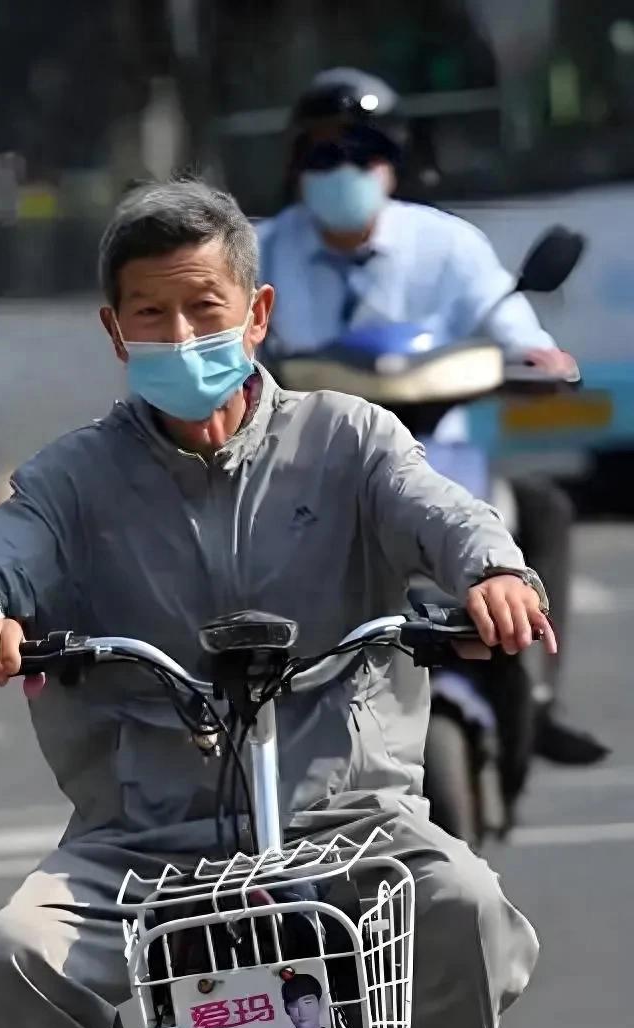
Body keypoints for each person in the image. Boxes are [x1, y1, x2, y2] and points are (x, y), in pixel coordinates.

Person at [0, 179, 546, 1028]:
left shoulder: (349, 439)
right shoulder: (70, 478)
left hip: (346, 825)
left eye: (202, 309)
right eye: (148, 316)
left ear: (254, 313)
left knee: (458, 898)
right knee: (10, 959)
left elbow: (438, 511)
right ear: (112, 331)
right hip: (140, 842)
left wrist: (490, 573)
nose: (178, 336)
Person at [259, 66, 606, 767]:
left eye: (363, 152)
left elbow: (511, 328)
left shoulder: (447, 244)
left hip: (441, 464)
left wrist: (537, 359)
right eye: (325, 154)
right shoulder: (258, 250)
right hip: (305, 472)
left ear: (395, 161)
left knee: (539, 511)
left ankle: (537, 700)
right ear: (298, 165)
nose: (344, 171)